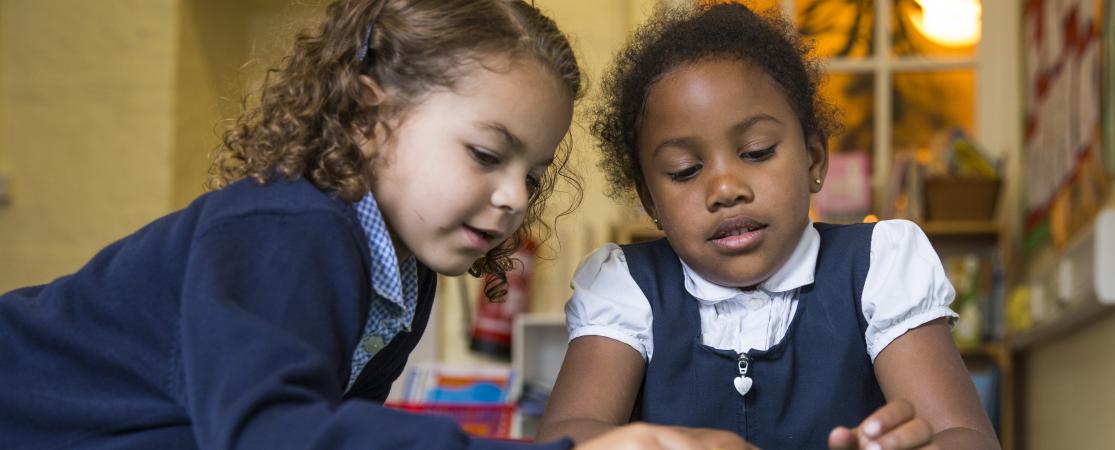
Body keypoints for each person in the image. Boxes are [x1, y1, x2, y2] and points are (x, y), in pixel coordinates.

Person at [0, 1, 755, 449]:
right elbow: (273, 435)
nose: (512, 198)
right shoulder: (287, 227)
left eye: (531, 173)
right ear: (369, 117)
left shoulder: (401, 273)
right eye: (486, 154)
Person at [537, 3, 1001, 450]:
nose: (725, 188)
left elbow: (966, 435)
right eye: (684, 170)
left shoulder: (878, 266)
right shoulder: (626, 287)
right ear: (649, 200)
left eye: (757, 152)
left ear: (814, 160)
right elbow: (565, 435)